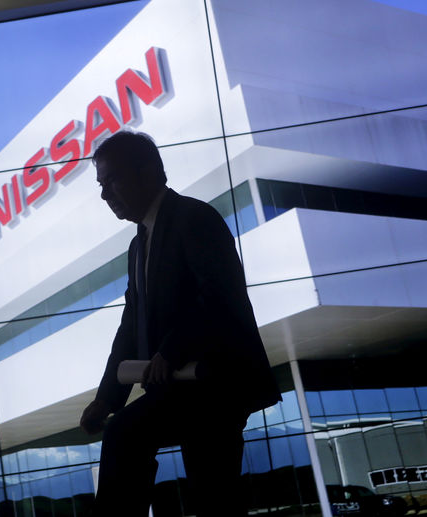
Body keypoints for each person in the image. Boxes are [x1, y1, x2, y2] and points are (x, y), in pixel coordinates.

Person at [79, 130, 280, 516]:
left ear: (149, 172)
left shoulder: (194, 218)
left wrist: (170, 351)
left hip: (215, 384)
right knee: (204, 491)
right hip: (178, 389)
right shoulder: (139, 244)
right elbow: (130, 325)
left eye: (112, 180)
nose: (105, 195)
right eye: (100, 185)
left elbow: (219, 298)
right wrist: (106, 399)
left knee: (207, 491)